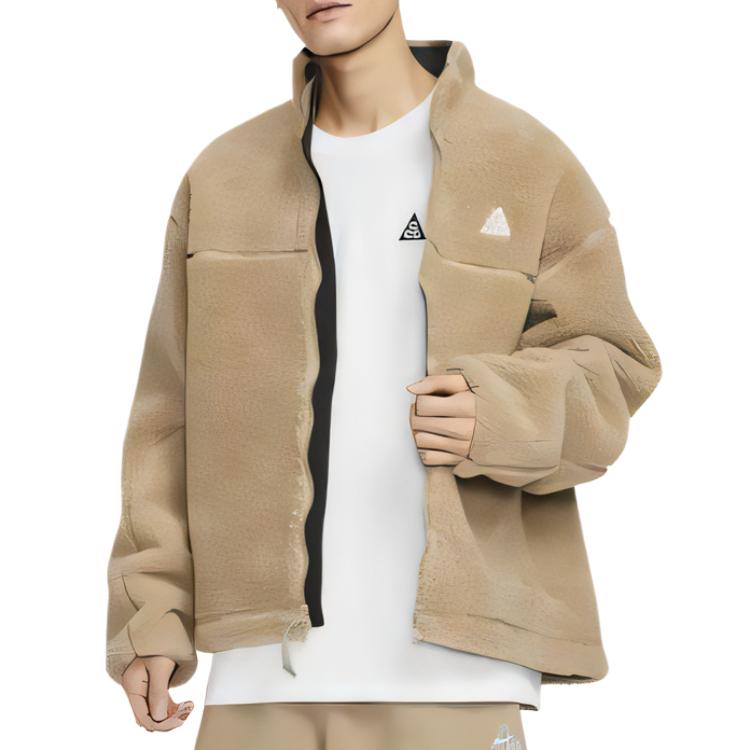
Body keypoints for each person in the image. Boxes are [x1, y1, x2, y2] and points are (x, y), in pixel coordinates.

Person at [105, 2, 662, 748]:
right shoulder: (224, 176)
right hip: (258, 673)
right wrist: (151, 612)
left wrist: (502, 412)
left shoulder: (525, 159)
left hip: (456, 673)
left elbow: (616, 361)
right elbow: (167, 418)